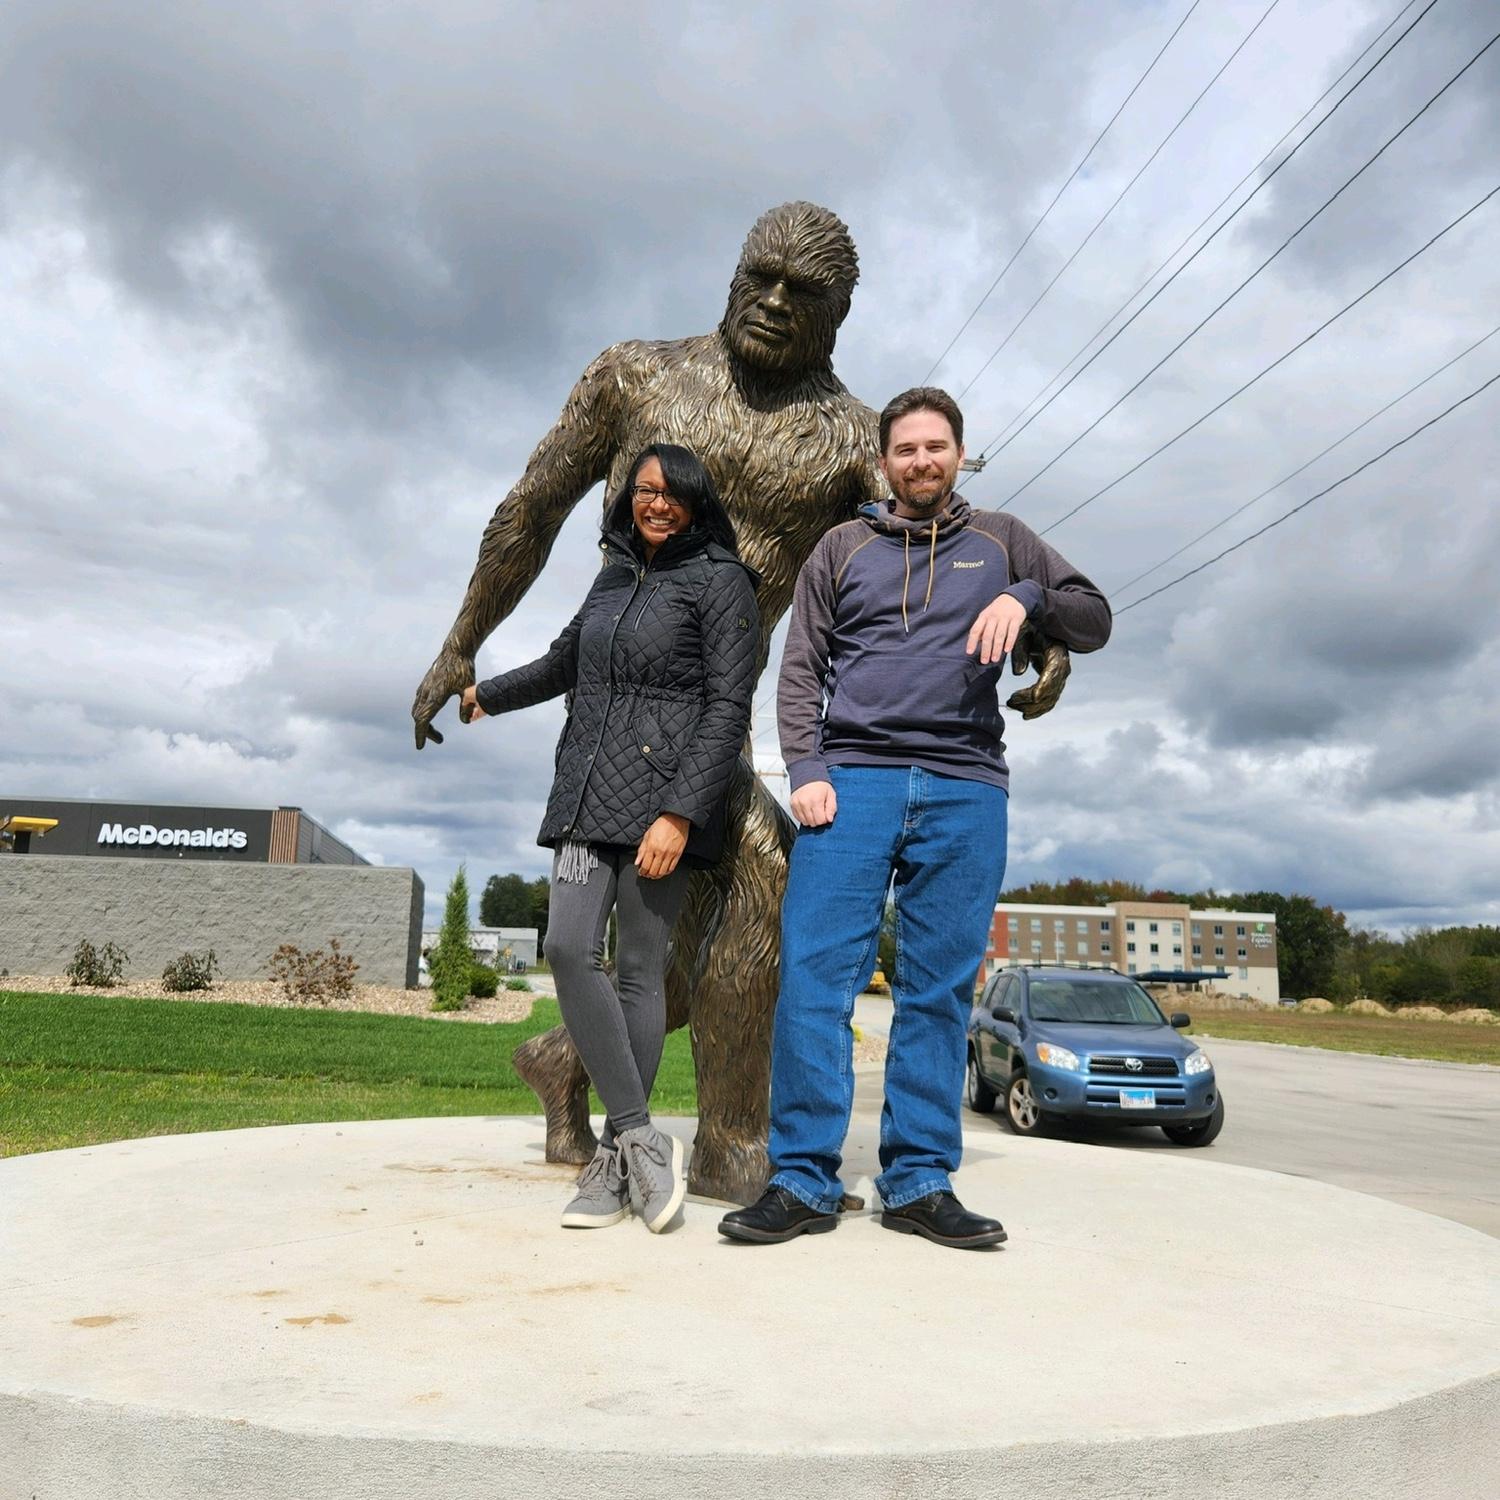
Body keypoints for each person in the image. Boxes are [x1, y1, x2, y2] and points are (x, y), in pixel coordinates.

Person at [411, 202, 1073, 1206]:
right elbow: (531, 507)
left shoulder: (854, 439)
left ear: (839, 315)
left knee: (720, 916)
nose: (772, 302)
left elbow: (932, 547)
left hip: (715, 715)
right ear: (732, 274)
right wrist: (461, 644)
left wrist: (1036, 621)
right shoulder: (636, 374)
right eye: (759, 276)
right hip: (625, 709)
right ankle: (727, 1145)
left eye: (802, 293)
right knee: (757, 889)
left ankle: (569, 1064)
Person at [720, 387, 1111, 1249]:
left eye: (938, 447)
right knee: (815, 982)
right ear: (884, 460)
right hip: (852, 783)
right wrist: (807, 770)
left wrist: (1028, 601)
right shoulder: (840, 547)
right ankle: (801, 1180)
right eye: (906, 449)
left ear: (960, 455)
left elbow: (1095, 617)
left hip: (967, 785)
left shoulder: (1004, 541)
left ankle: (919, 1180)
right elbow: (799, 668)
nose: (922, 461)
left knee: (937, 991)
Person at [462, 443, 760, 1232]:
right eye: (643, 491)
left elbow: (729, 708)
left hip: (663, 808)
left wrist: (679, 814)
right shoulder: (613, 576)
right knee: (565, 946)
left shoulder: (722, 582)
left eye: (671, 494)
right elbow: (566, 661)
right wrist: (485, 694)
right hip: (586, 800)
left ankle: (610, 1166)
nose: (654, 504)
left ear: (697, 503)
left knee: (639, 972)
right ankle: (637, 1136)